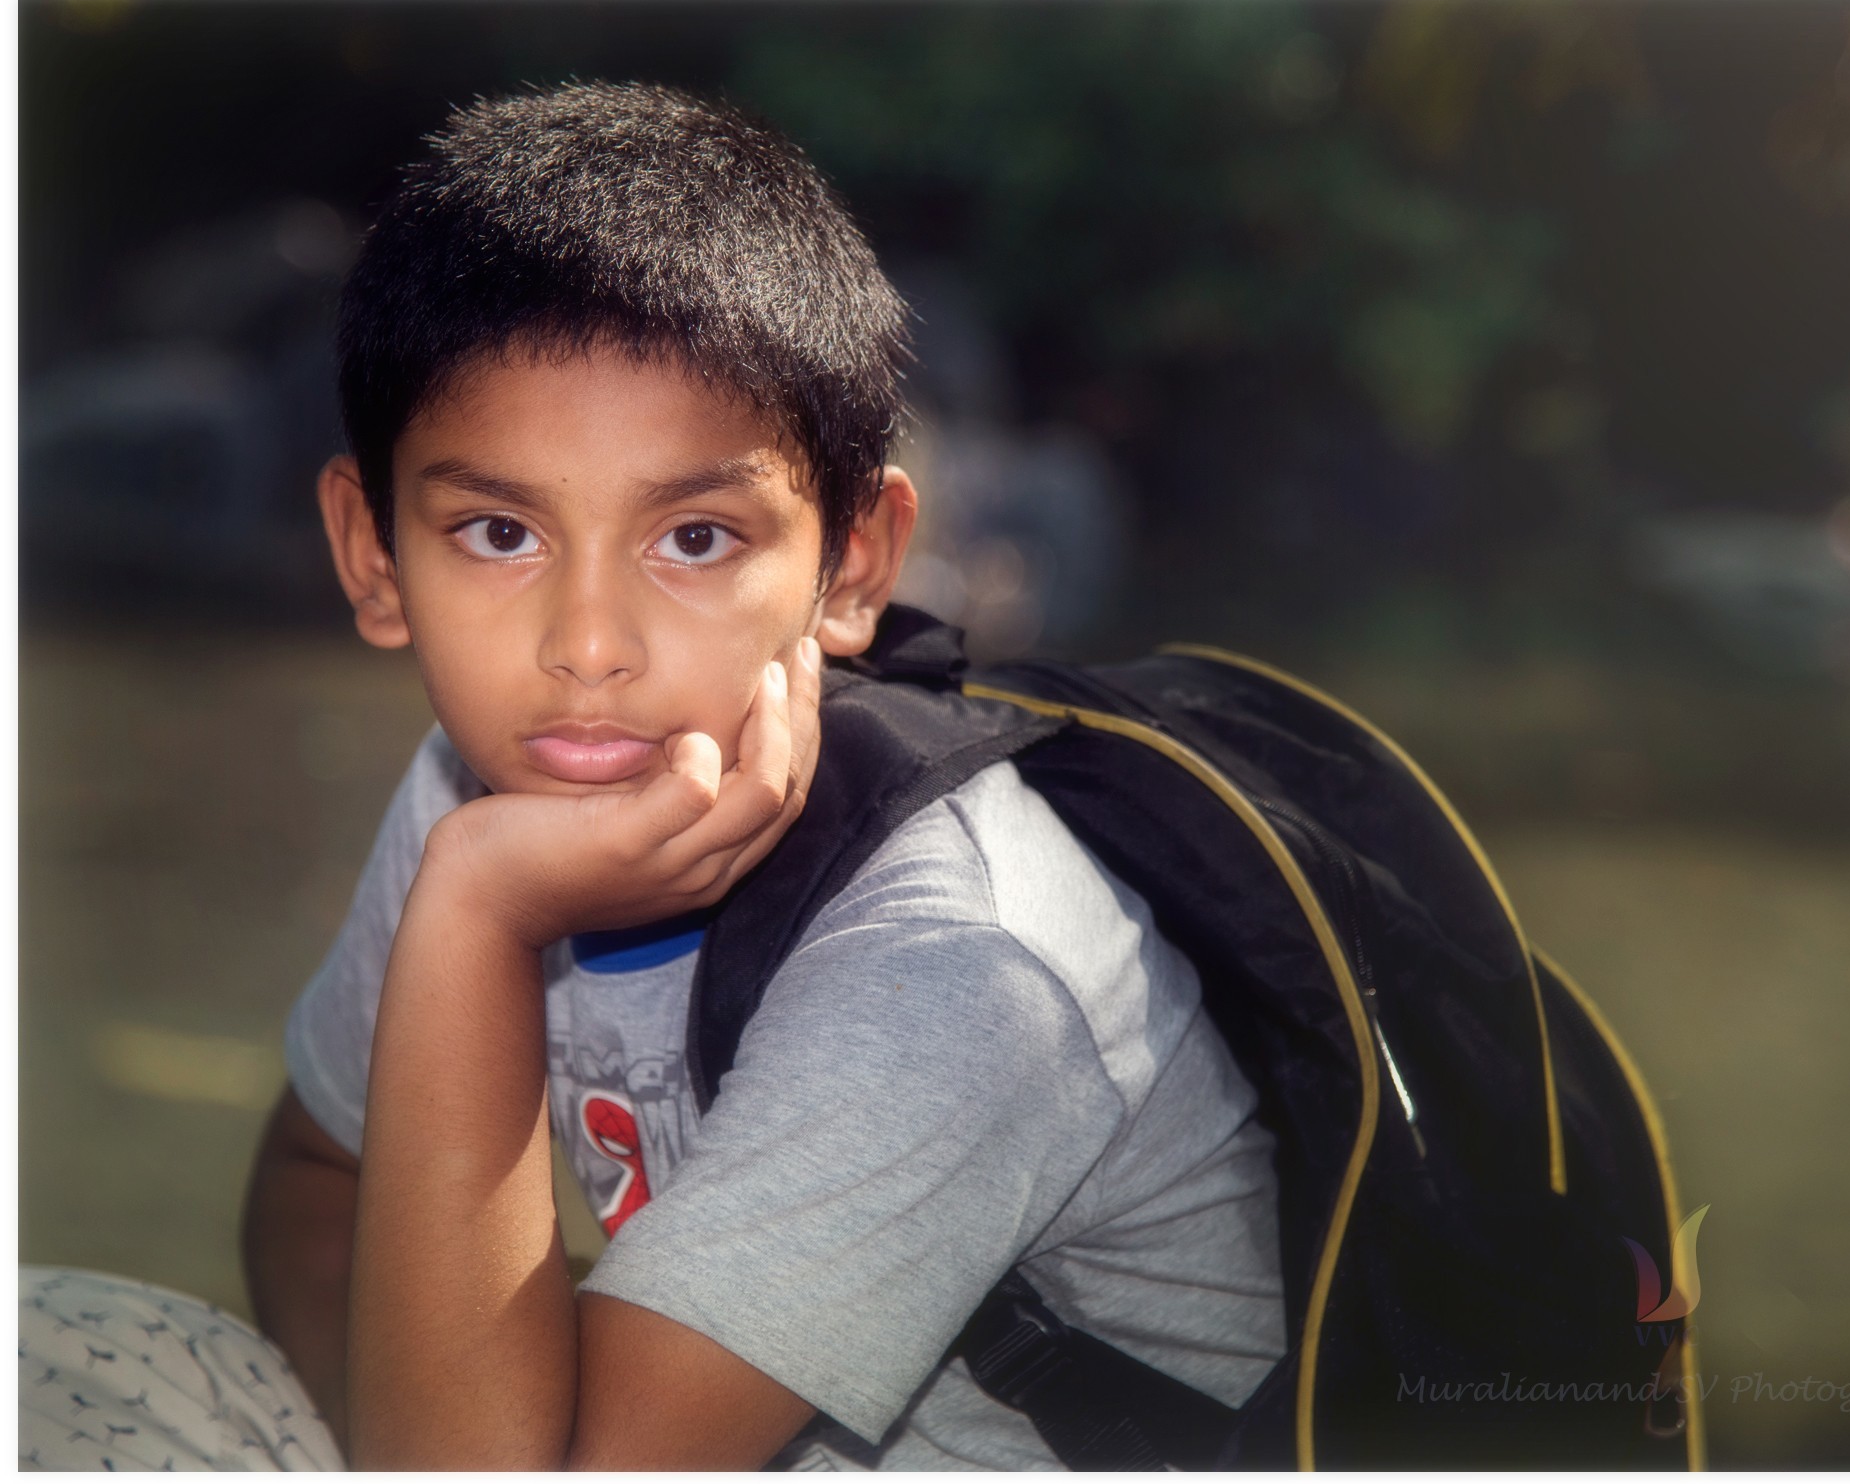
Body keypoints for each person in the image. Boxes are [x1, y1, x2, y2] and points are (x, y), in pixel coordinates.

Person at [21, 81, 1284, 1470]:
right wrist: (406, 1422)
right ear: (374, 556)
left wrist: (477, 914)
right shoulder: (478, 793)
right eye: (499, 532)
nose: (587, 646)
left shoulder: (960, 969)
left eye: (694, 539)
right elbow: (320, 1186)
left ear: (854, 565)